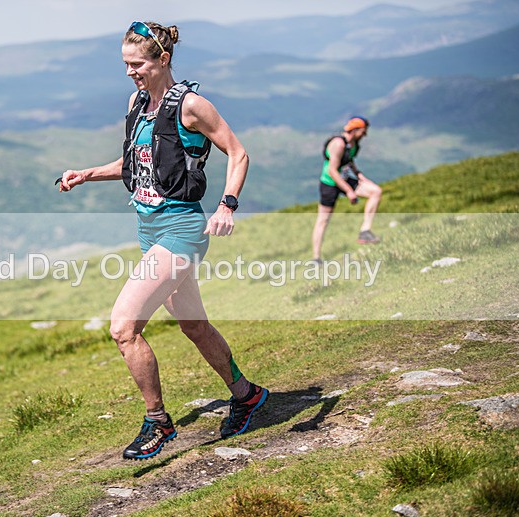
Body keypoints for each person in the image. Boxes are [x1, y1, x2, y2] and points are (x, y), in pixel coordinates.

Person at [57, 21, 267, 460]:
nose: (130, 73)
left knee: (124, 327)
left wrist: (227, 204)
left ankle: (158, 422)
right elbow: (136, 161)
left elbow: (238, 152)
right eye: (126, 65)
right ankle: (246, 395)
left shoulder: (191, 106)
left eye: (137, 64)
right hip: (148, 229)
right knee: (193, 325)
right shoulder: (137, 103)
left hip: (182, 229)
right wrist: (87, 174)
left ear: (162, 59)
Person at [311, 116, 383, 262]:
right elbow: (332, 170)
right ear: (355, 130)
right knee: (323, 220)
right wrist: (349, 191)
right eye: (363, 131)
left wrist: (360, 176)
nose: (365, 135)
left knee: (376, 191)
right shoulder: (338, 144)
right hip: (329, 183)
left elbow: (349, 162)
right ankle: (316, 258)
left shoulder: (354, 144)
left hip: (344, 178)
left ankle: (365, 231)